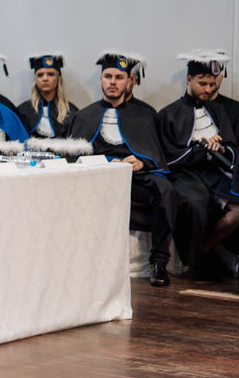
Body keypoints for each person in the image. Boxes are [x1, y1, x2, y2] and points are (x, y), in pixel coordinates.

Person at [66, 53, 177, 286]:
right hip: (97, 178)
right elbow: (72, 160)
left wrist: (141, 162)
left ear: (129, 81)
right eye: (108, 76)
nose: (113, 82)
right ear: (101, 80)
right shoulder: (84, 115)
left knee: (165, 191)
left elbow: (154, 155)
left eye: (119, 77)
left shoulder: (145, 115)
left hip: (133, 178)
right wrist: (103, 164)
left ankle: (158, 263)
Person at [157, 52, 239, 277]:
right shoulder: (168, 113)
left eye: (211, 84)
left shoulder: (218, 110)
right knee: (195, 205)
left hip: (216, 173)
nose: (207, 89)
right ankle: (195, 262)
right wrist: (199, 147)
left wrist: (221, 149)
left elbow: (232, 145)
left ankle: (201, 253)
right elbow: (167, 155)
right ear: (189, 80)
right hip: (186, 174)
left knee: (238, 210)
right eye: (202, 83)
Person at [16, 54, 78, 139]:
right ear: (35, 79)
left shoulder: (71, 111)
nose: (45, 78)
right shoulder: (23, 111)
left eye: (51, 74)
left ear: (58, 78)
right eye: (40, 75)